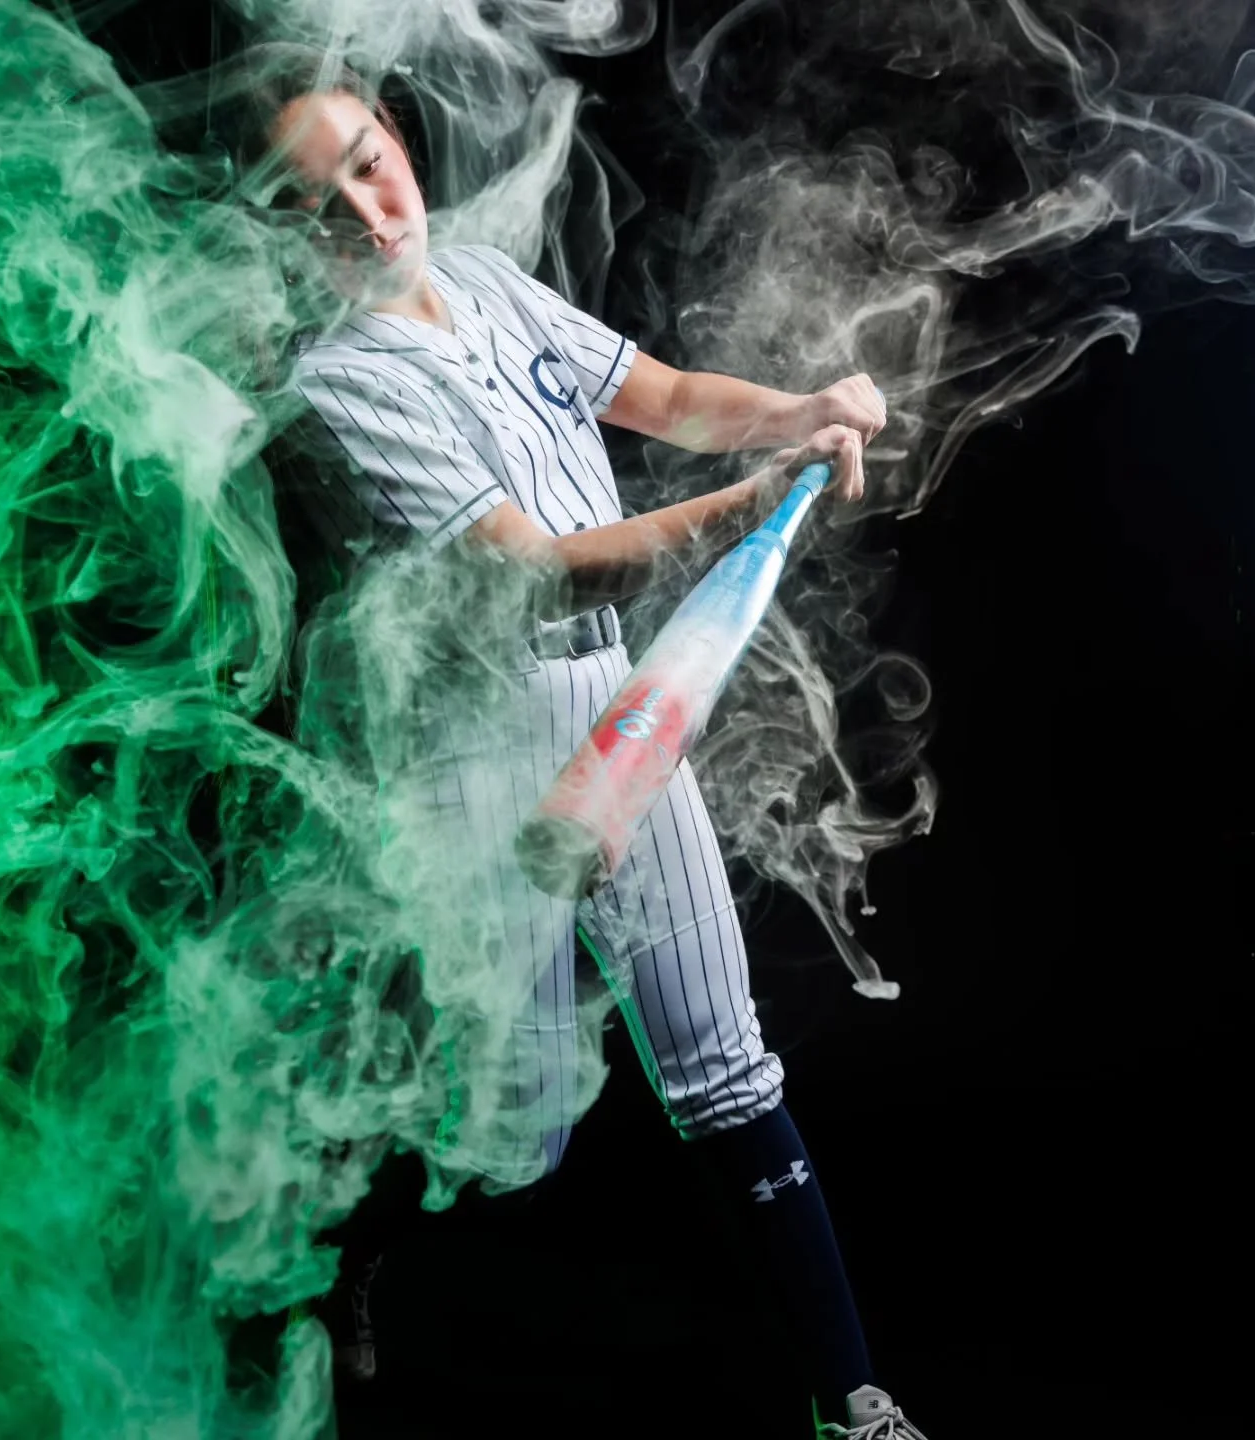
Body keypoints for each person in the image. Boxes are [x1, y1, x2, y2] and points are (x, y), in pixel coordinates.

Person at [233, 45, 926, 1440]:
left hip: (622, 711)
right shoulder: (345, 378)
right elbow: (546, 568)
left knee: (725, 1068)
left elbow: (663, 399)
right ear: (288, 239)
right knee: (515, 1141)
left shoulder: (483, 283)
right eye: (323, 209)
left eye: (372, 165)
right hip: (479, 750)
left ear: (400, 146)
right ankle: (339, 1260)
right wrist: (754, 501)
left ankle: (853, 1404)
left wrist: (797, 416)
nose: (372, 217)